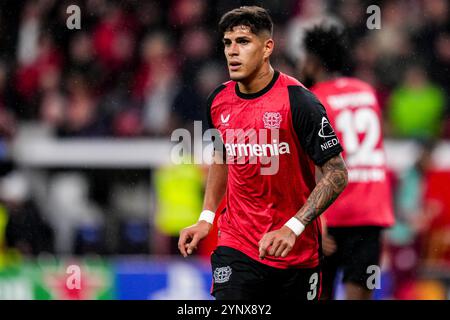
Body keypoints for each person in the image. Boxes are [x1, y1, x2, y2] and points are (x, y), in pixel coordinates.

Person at [178, 6, 348, 300]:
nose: (232, 51)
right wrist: (207, 217)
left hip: (295, 251)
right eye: (227, 43)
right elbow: (221, 158)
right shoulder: (217, 100)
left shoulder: (300, 102)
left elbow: (338, 173)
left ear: (268, 47)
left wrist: (293, 227)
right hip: (237, 244)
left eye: (243, 42)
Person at [300, 24, 395, 300]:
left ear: (314, 61)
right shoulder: (367, 92)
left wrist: (318, 220)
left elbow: (316, 165)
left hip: (332, 213)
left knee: (318, 293)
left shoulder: (313, 99)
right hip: (371, 215)